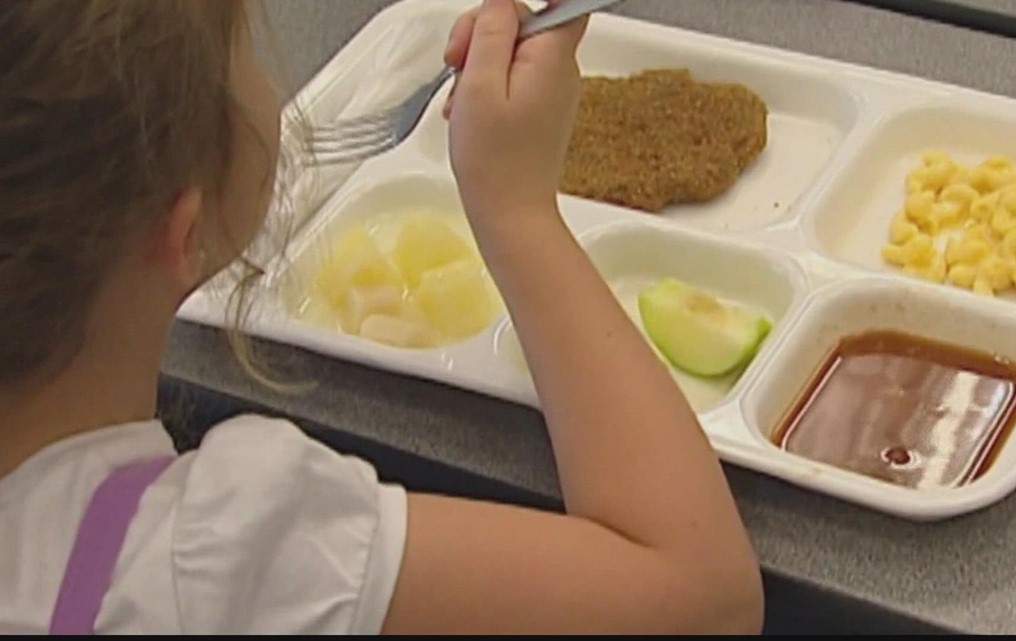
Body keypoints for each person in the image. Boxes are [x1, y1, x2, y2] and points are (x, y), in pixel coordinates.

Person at [0, 0, 763, 634]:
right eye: (252, 62)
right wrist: (516, 206)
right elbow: (704, 596)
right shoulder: (208, 560)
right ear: (185, 231)